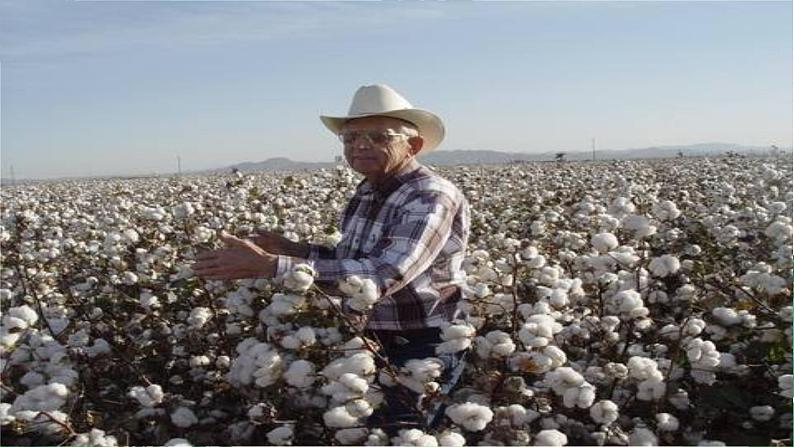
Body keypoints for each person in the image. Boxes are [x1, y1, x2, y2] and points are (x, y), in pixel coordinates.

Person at [193, 84, 471, 434]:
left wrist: (272, 267)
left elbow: (383, 273)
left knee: (398, 434)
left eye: (377, 136)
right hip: (370, 336)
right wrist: (294, 250)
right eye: (350, 138)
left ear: (412, 145)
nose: (359, 146)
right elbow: (351, 260)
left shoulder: (429, 196)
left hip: (423, 340)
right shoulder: (369, 190)